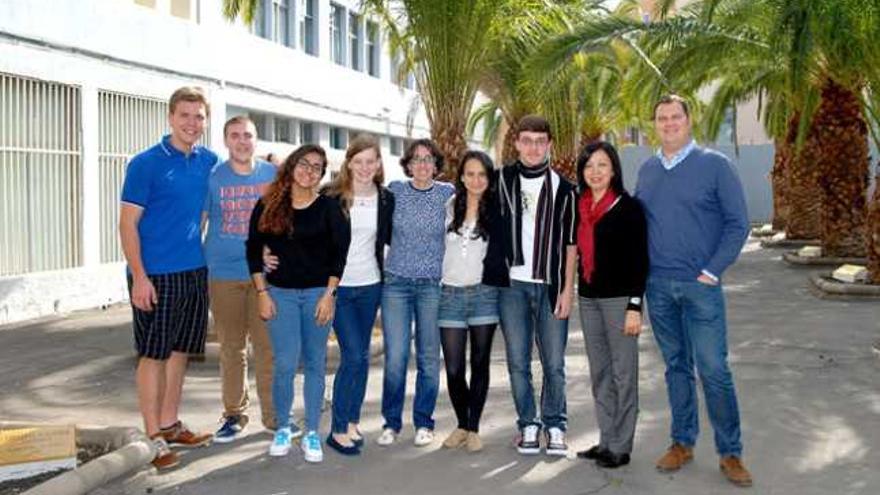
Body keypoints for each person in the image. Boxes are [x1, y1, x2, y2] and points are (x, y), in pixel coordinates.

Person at [635, 95, 751, 486]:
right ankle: (682, 442)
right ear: (655, 124)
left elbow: (738, 223)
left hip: (701, 287)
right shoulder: (648, 170)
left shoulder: (715, 166)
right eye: (662, 118)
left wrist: (711, 271)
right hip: (658, 287)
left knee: (714, 369)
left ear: (689, 120)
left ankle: (731, 452)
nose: (668, 123)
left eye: (675, 117)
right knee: (676, 368)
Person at [119, 86, 217, 470]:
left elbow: (206, 214)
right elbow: (128, 225)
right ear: (170, 117)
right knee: (153, 355)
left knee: (180, 353)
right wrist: (139, 277)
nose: (192, 123)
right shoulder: (145, 164)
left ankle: (170, 423)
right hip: (155, 276)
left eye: (199, 117)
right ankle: (152, 435)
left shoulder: (208, 161)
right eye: (185, 115)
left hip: (194, 272)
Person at [245, 144, 351, 463]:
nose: (309, 170)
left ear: (322, 174)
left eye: (317, 167)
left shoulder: (330, 208)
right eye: (304, 164)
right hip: (280, 295)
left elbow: (338, 256)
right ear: (291, 166)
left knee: (316, 364)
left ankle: (312, 433)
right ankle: (283, 428)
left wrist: (329, 295)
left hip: (318, 295)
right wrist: (262, 293)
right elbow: (253, 251)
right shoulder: (268, 205)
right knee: (286, 364)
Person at [497, 115, 578, 456]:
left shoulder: (565, 188)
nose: (533, 147)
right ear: (516, 143)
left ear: (549, 145)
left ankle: (555, 424)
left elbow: (571, 245)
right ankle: (528, 424)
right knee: (517, 361)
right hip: (511, 286)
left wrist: (566, 290)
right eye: (526, 140)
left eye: (539, 141)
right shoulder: (500, 182)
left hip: (550, 286)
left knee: (554, 363)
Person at [573, 141, 648, 469]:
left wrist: (635, 305)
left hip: (620, 302)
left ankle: (621, 445)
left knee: (623, 374)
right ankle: (606, 440)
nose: (595, 172)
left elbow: (640, 261)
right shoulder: (581, 205)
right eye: (589, 166)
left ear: (613, 169)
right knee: (601, 373)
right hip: (589, 299)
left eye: (602, 165)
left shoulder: (628, 208)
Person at [202, 116, 277, 443]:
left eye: (248, 135)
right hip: (223, 273)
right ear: (226, 140)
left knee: (268, 348)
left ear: (255, 140)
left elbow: (286, 221)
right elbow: (200, 221)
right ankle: (234, 414)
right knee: (232, 348)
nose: (242, 141)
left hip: (266, 277)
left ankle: (275, 417)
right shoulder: (213, 177)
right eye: (235, 136)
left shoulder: (272, 176)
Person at [377, 139, 454, 447]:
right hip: (396, 284)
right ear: (407, 164)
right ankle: (391, 423)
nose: (423, 165)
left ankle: (424, 421)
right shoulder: (395, 191)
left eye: (429, 159)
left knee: (428, 357)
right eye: (417, 159)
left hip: (432, 286)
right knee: (395, 357)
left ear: (436, 165)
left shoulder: (448, 194)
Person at [322, 134, 394, 455]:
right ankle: (337, 428)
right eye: (359, 161)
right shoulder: (331, 196)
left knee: (362, 356)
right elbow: (309, 238)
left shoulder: (386, 198)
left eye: (371, 161)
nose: (365, 167)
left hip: (371, 286)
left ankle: (351, 420)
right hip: (339, 288)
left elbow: (395, 238)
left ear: (378, 164)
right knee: (352, 355)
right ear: (348, 163)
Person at [438, 150, 508, 453]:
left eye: (482, 174)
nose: (476, 180)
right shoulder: (450, 206)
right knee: (454, 369)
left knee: (479, 363)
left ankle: (473, 427)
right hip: (450, 295)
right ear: (462, 176)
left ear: (488, 178)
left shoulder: (497, 210)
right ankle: (462, 423)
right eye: (470, 174)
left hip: (483, 295)